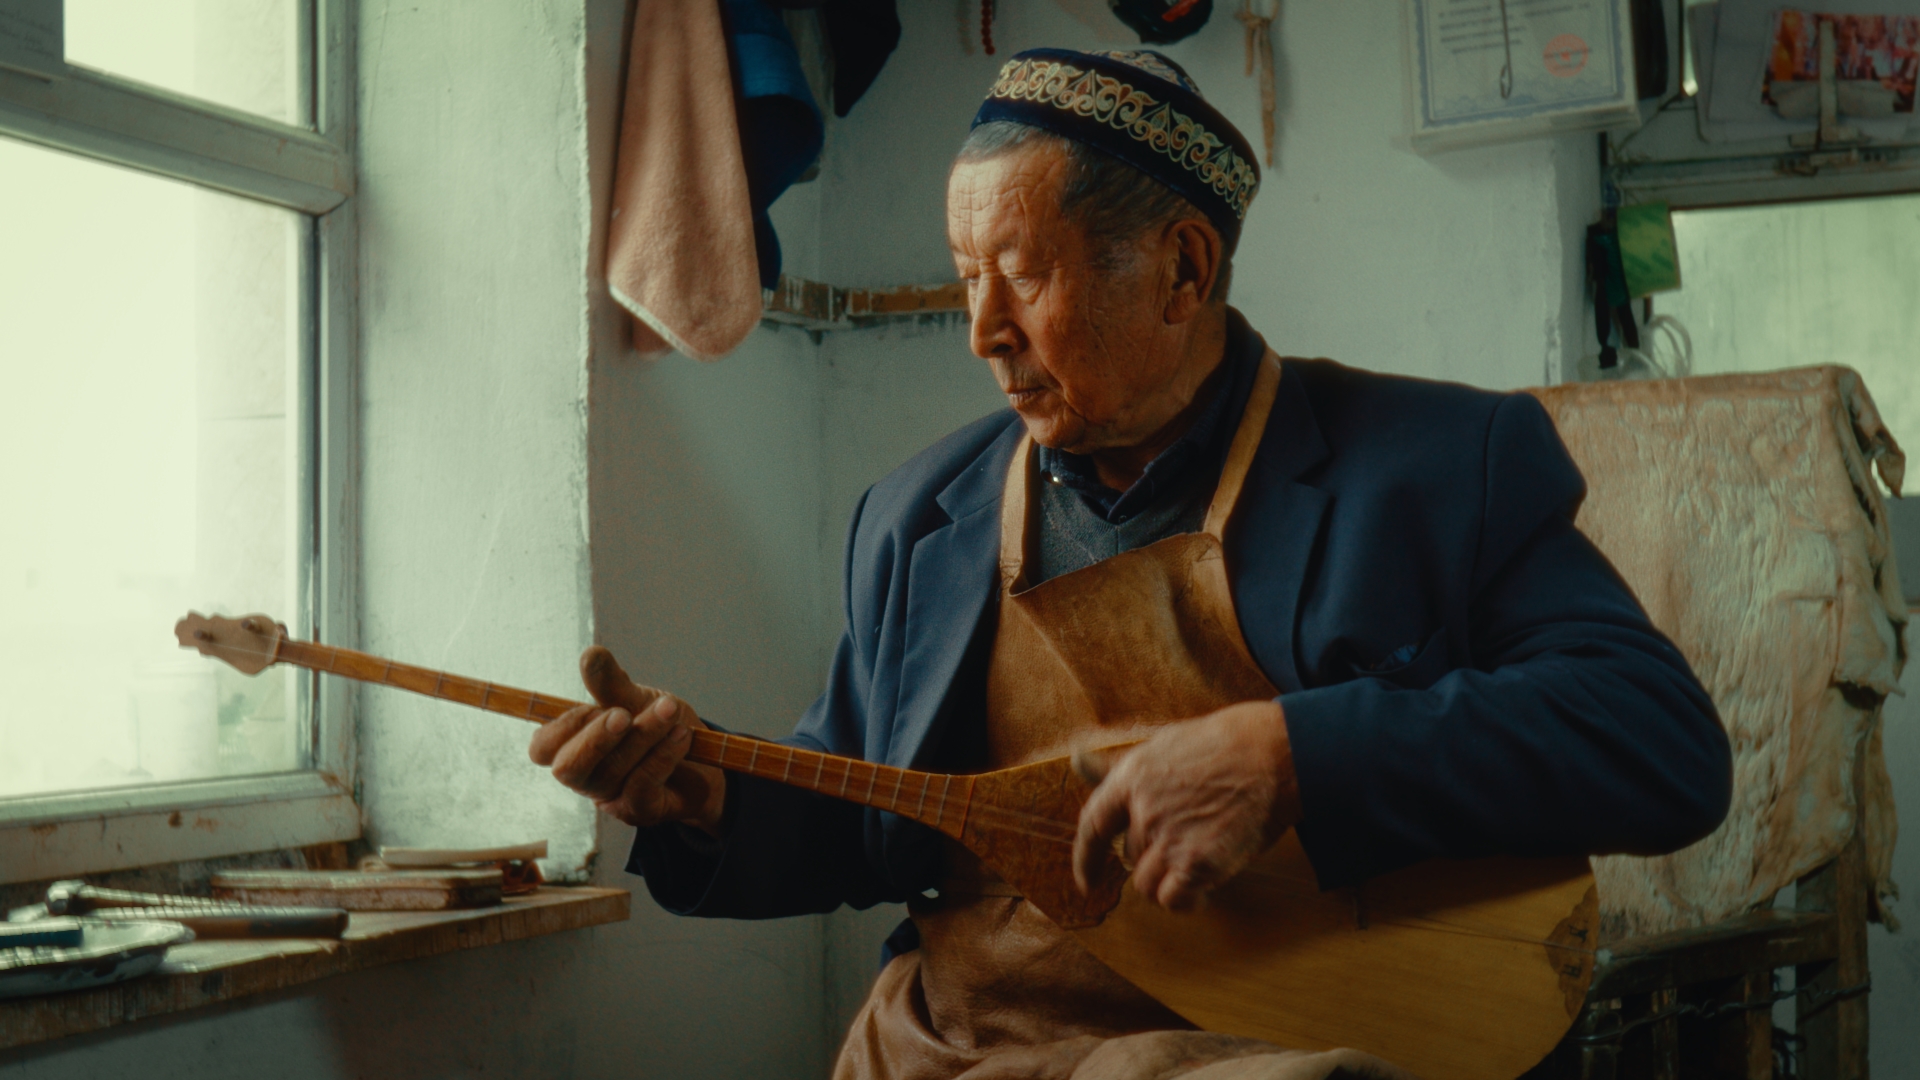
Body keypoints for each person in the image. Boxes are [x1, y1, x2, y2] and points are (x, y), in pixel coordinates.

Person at [529, 48, 1731, 1080]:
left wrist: (1294, 755)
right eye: (964, 277)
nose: (982, 330)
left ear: (1183, 270)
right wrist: (708, 800)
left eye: (1026, 272)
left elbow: (1659, 745)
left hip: (1277, 1052)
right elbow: (869, 810)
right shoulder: (916, 517)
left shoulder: (1430, 469)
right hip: (968, 1048)